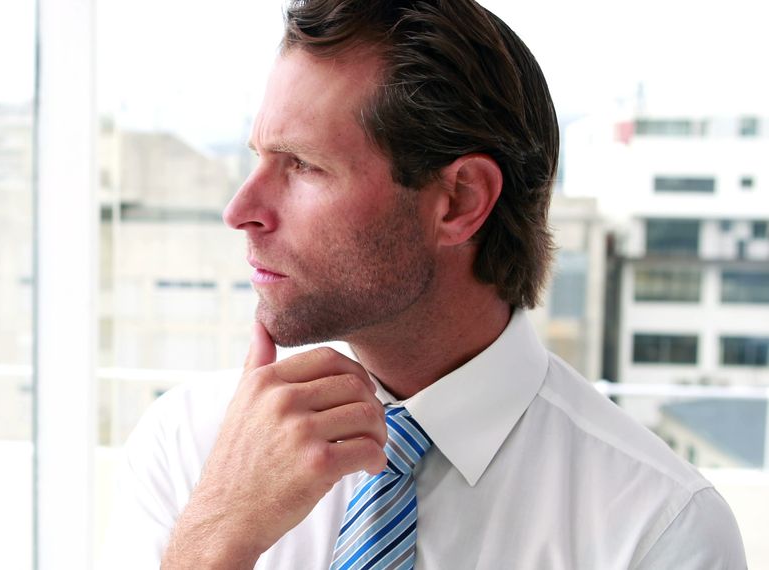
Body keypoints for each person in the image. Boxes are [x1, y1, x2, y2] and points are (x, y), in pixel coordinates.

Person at [103, 0, 747, 568]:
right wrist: (216, 543)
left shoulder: (657, 531)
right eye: (259, 158)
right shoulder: (191, 447)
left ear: (459, 200)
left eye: (302, 166)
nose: (241, 208)